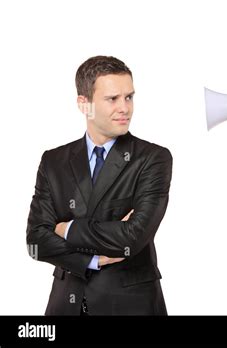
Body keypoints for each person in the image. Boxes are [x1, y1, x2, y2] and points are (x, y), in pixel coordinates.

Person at [26, 56, 172, 315]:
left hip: (130, 305)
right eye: (112, 99)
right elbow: (36, 240)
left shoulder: (153, 158)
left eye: (129, 97)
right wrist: (89, 260)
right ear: (85, 104)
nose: (125, 108)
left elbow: (132, 237)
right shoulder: (53, 161)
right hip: (66, 304)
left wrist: (65, 228)